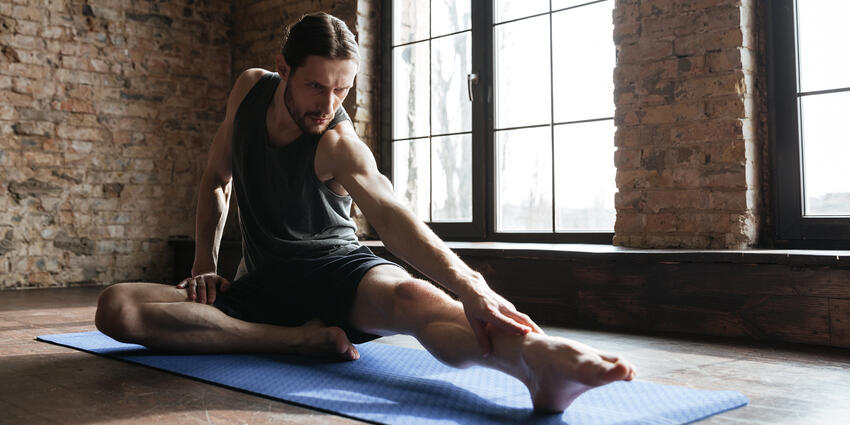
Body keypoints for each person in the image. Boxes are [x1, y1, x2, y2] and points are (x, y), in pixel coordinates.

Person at [94, 12, 635, 412]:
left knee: (416, 299)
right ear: (283, 69)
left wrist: (471, 286)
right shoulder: (248, 91)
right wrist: (201, 268)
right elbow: (216, 180)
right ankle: (296, 341)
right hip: (259, 288)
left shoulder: (337, 142)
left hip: (336, 272)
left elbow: (390, 211)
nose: (328, 104)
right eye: (316, 86)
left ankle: (537, 362)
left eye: (342, 90)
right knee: (117, 308)